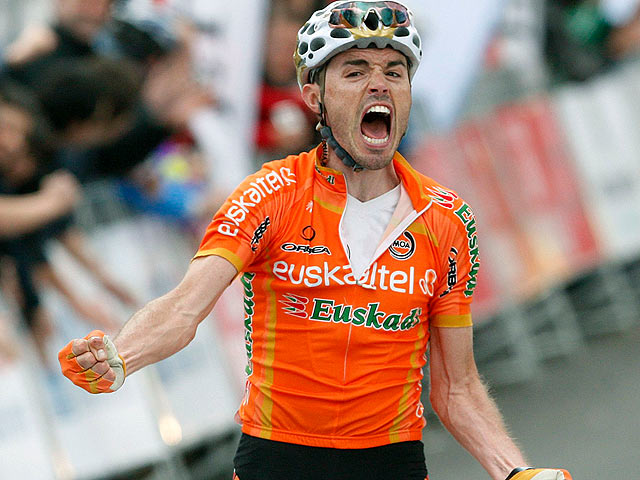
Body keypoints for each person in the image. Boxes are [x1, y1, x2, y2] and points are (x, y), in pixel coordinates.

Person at [58, 2, 573, 479]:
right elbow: (183, 309)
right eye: (355, 72)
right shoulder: (269, 195)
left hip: (390, 462)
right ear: (313, 97)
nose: (379, 86)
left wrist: (516, 471)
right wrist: (120, 356)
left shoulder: (446, 220)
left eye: (394, 72)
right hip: (279, 461)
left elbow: (457, 389)